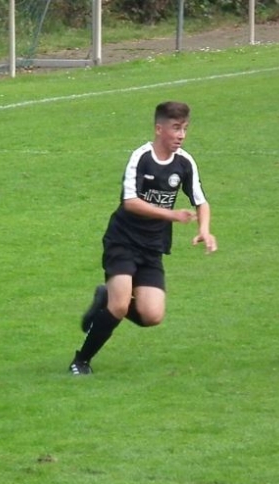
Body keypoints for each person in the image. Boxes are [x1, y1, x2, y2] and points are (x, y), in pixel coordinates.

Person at [69, 101, 217, 375]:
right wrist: (171, 214)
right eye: (176, 128)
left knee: (152, 315)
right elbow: (130, 202)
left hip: (152, 248)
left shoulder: (184, 162)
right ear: (159, 129)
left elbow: (201, 201)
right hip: (123, 241)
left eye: (185, 129)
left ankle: (105, 297)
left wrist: (204, 230)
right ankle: (81, 360)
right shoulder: (141, 158)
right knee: (120, 305)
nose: (181, 135)